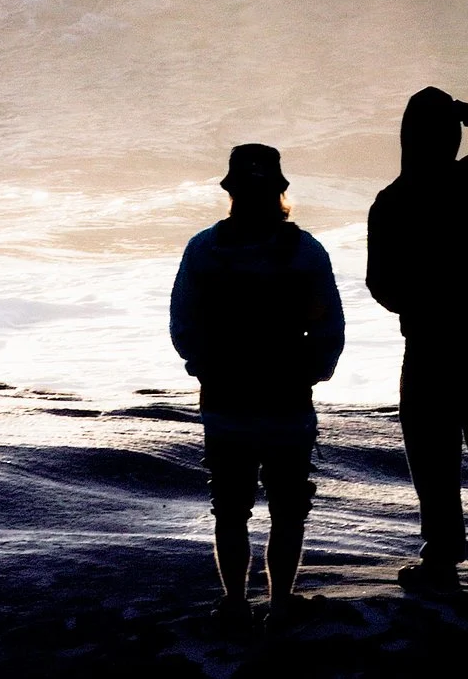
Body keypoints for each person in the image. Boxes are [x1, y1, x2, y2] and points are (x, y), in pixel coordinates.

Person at [169, 144, 345, 633]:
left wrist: (200, 364)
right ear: (280, 193)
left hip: (226, 397)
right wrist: (317, 369)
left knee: (230, 505)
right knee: (288, 506)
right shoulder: (305, 250)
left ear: (231, 194)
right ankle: (282, 603)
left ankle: (233, 602)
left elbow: (183, 320)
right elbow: (330, 323)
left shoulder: (204, 248)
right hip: (287, 396)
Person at [366, 90, 468, 602]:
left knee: (433, 457)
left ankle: (442, 558)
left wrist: (422, 302)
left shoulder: (393, 200)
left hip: (428, 346)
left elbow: (381, 286)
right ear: (453, 136)